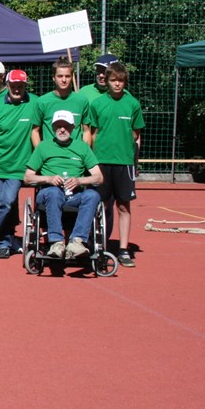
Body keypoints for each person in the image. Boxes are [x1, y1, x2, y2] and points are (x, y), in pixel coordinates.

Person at [24, 110, 104, 260]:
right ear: (53, 128)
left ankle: (77, 242)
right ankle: (56, 243)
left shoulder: (82, 147)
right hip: (49, 193)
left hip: (74, 195)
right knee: (53, 193)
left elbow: (99, 177)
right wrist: (49, 179)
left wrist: (79, 181)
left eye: (66, 126)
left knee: (93, 195)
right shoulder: (43, 146)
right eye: (58, 126)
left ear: (73, 128)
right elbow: (27, 177)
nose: (62, 129)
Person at [88, 62, 144, 267]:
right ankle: (99, 246)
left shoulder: (133, 104)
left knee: (123, 206)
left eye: (120, 80)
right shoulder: (97, 104)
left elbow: (136, 134)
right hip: (101, 162)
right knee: (100, 205)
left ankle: (123, 249)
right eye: (113, 80)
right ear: (107, 81)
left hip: (124, 163)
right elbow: (92, 134)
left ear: (125, 81)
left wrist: (132, 158)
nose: (117, 84)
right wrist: (91, 161)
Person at [0, 69, 38, 258]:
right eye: (13, 86)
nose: (17, 89)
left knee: (6, 203)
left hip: (19, 168)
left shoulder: (35, 102)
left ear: (25, 86)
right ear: (7, 85)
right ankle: (4, 243)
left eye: (20, 86)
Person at [32, 57, 90, 147]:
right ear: (53, 78)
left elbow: (86, 131)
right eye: (60, 76)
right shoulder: (42, 101)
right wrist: (41, 152)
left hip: (75, 153)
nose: (64, 80)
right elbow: (35, 131)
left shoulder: (82, 101)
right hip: (51, 153)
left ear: (72, 77)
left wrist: (85, 152)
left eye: (67, 76)